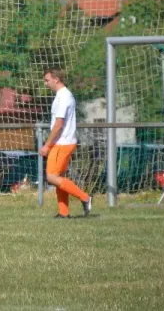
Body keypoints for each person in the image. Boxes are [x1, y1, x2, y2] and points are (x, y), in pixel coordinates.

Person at [40, 67, 92, 218]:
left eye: (47, 80)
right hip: (63, 142)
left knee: (51, 177)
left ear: (56, 79)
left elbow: (59, 124)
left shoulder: (64, 97)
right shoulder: (62, 96)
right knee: (59, 177)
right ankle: (63, 213)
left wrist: (46, 145)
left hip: (62, 143)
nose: (45, 83)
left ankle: (85, 198)